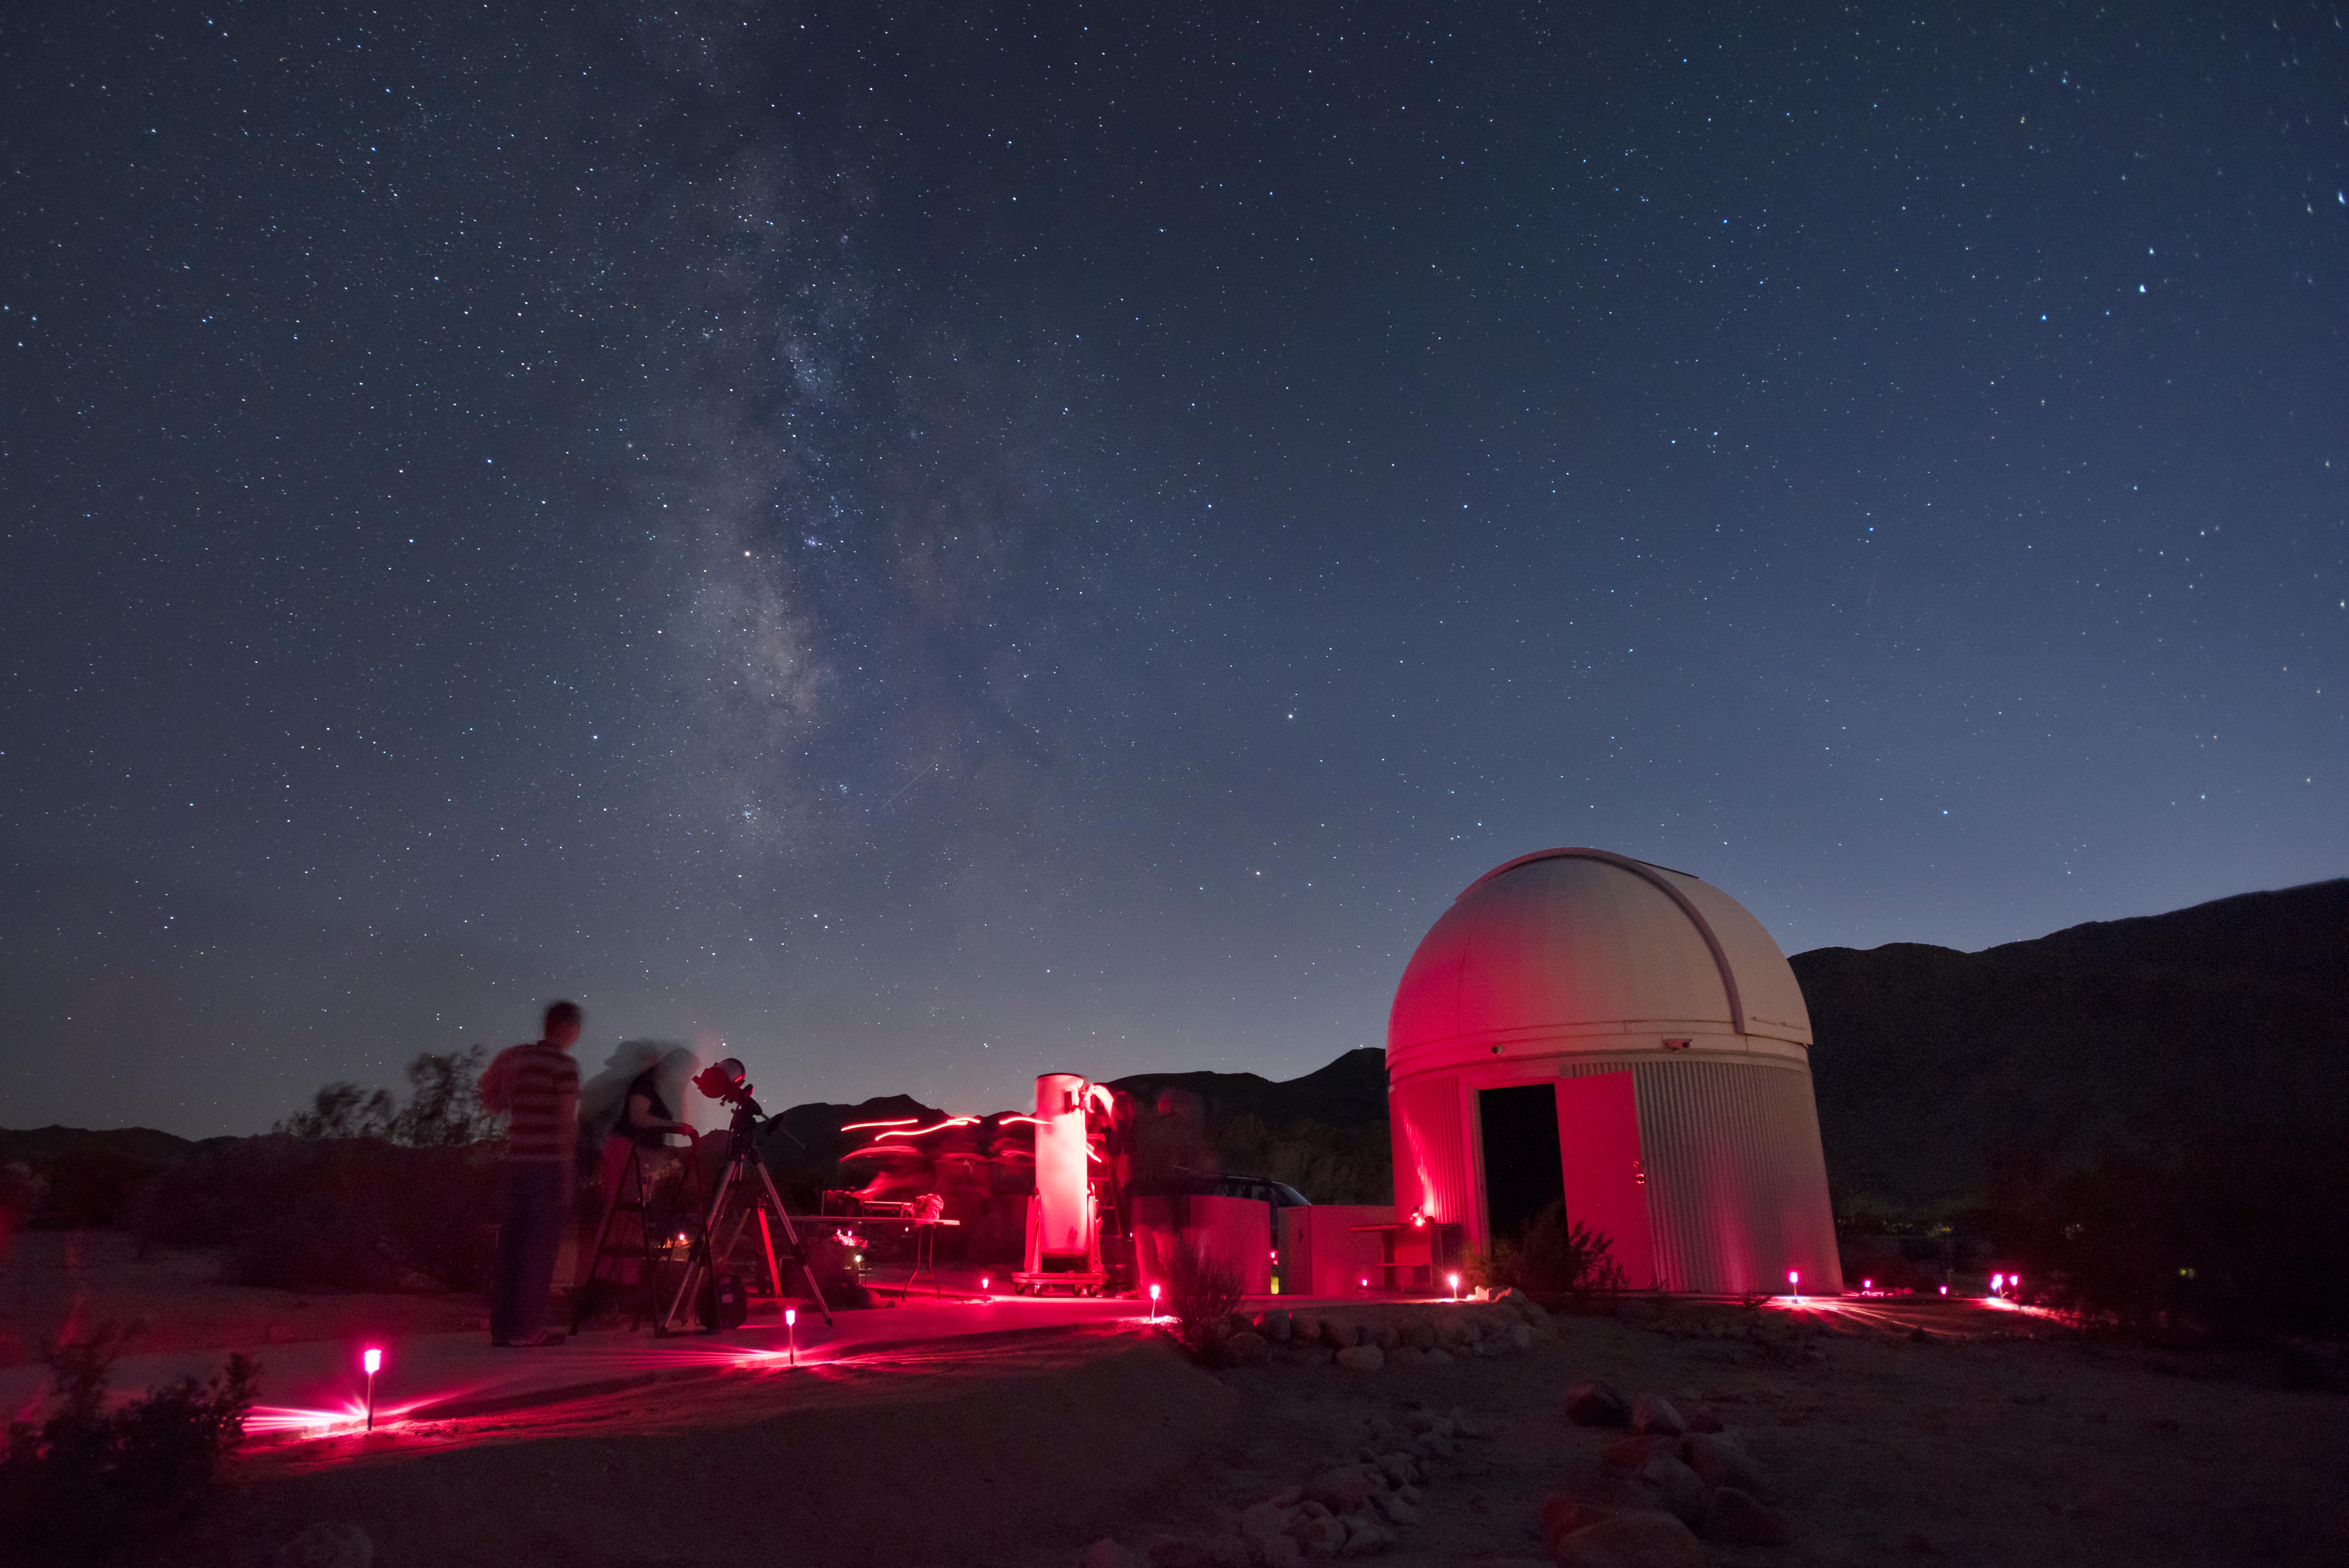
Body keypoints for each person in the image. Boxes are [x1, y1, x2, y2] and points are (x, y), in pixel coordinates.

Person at [479, 1000, 585, 1347]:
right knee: (539, 1250)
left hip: (516, 1160)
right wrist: (568, 1174)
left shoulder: (515, 1058)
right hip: (548, 1165)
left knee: (510, 1246)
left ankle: (502, 1329)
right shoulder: (564, 1066)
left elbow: (491, 1099)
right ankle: (526, 1330)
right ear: (569, 1029)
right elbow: (565, 1123)